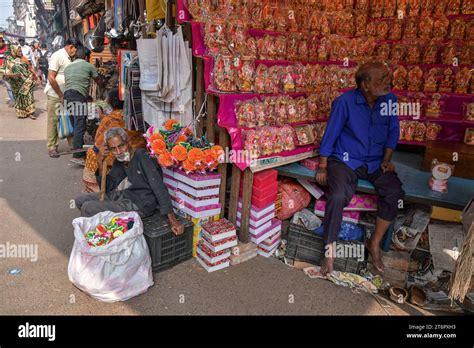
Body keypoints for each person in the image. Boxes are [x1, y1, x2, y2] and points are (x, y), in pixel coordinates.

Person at [316, 61, 405, 275]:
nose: (387, 82)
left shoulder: (390, 100)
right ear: (365, 85)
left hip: (375, 161)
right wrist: (323, 165)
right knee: (337, 195)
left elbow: (393, 131)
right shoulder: (344, 102)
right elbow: (331, 133)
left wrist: (387, 157)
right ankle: (329, 249)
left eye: (387, 77)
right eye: (381, 79)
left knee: (395, 193)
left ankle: (374, 243)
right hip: (346, 159)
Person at [74, 127, 185, 235]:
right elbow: (109, 187)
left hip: (142, 204)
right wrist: (99, 161)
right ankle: (103, 232)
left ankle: (94, 241)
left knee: (88, 207)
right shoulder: (121, 160)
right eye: (113, 148)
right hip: (128, 195)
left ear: (128, 143)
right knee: (80, 200)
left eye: (121, 146)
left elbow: (158, 187)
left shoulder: (142, 156)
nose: (119, 151)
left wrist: (172, 219)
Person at [64, 46, 102, 165]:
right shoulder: (89, 66)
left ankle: (77, 148)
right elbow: (98, 81)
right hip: (77, 97)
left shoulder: (68, 67)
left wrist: (86, 96)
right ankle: (77, 155)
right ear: (86, 57)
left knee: (76, 125)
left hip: (67, 96)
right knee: (80, 125)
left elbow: (74, 83)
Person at [44, 38, 80, 158]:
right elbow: (51, 77)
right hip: (55, 95)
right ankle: (52, 147)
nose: (76, 51)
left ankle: (72, 145)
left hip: (67, 95)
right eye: (75, 48)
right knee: (53, 121)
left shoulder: (70, 58)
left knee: (69, 119)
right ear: (71, 47)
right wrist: (60, 94)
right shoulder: (57, 55)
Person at [1, 45, 36, 119]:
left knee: (29, 96)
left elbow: (29, 68)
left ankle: (30, 112)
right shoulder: (8, 61)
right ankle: (22, 113)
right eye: (19, 51)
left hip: (26, 80)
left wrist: (36, 75)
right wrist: (13, 75)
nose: (20, 52)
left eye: (21, 51)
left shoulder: (23, 59)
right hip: (15, 83)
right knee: (19, 97)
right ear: (14, 51)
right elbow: (4, 71)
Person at [0, 35, 15, 107]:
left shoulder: (7, 49)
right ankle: (13, 100)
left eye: (1, 41)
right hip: (2, 71)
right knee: (8, 86)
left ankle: (14, 100)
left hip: (9, 69)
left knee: (11, 86)